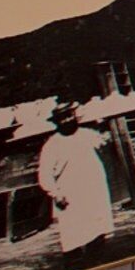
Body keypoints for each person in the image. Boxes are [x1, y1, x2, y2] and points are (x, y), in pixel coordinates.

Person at [36, 103, 115, 259]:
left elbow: (103, 141)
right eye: (62, 118)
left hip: (93, 191)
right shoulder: (52, 145)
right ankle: (74, 268)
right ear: (56, 122)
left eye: (69, 116)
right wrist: (55, 193)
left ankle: (96, 264)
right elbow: (45, 174)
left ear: (74, 116)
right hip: (70, 195)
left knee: (97, 230)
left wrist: (104, 126)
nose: (67, 120)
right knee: (74, 235)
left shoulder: (87, 134)